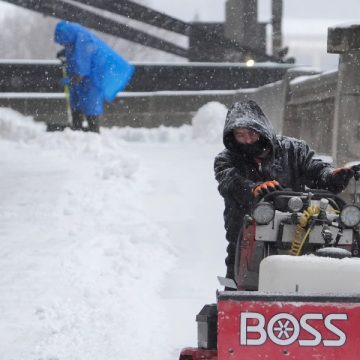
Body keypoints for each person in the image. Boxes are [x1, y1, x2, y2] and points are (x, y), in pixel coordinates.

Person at [214, 100, 355, 281]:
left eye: (251, 133)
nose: (247, 140)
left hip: (298, 228)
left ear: (262, 129)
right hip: (245, 233)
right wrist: (253, 189)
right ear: (232, 136)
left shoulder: (294, 150)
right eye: (241, 135)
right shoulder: (225, 159)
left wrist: (333, 176)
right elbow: (230, 182)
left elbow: (318, 171)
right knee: (239, 278)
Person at [54, 21, 135, 133]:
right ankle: (77, 130)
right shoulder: (74, 38)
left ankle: (94, 131)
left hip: (93, 78)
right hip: (85, 79)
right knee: (76, 101)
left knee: (90, 103)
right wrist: (64, 53)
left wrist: (72, 79)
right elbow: (75, 57)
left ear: (66, 35)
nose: (63, 45)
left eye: (63, 43)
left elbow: (82, 65)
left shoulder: (83, 40)